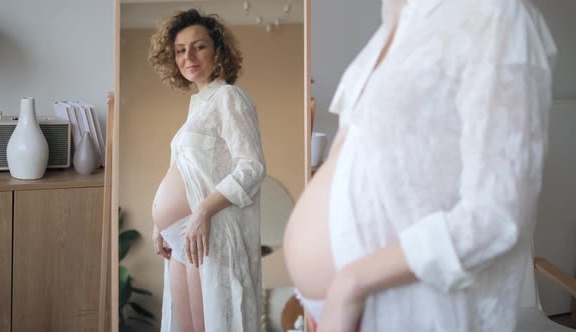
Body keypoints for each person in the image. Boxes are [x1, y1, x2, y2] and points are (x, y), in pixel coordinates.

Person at [283, 0, 557, 331]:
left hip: (391, 303)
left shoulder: (492, 14)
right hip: (334, 310)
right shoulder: (392, 27)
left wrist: (350, 284)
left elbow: (496, 216)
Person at [148, 9, 266, 332]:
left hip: (205, 231)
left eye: (199, 46)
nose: (189, 56)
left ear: (217, 51)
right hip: (180, 237)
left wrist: (202, 210)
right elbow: (183, 170)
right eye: (180, 50)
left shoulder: (229, 98)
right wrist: (159, 226)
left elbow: (251, 167)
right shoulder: (195, 107)